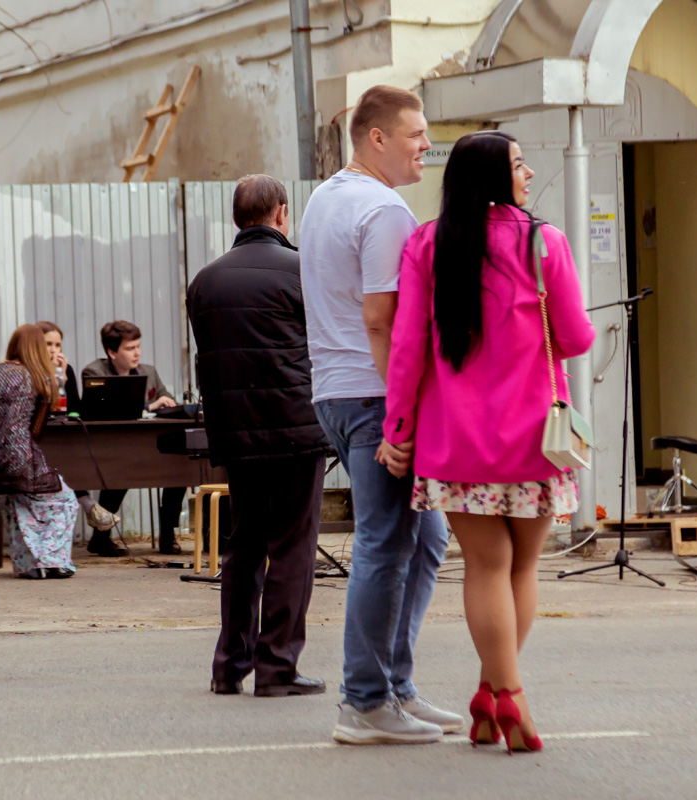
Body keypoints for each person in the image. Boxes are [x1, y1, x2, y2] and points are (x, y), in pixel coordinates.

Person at [382, 131, 594, 753]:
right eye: (519, 164)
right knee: (522, 566)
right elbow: (578, 338)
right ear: (495, 178)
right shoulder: (541, 241)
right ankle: (510, 696)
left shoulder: (427, 242)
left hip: (455, 443)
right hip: (537, 438)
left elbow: (406, 347)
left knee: (485, 566)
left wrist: (398, 429)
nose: (528, 173)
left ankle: (493, 694)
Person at [299, 85, 462, 743]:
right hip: (373, 396)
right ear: (377, 138)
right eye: (417, 133)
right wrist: (402, 416)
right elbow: (381, 318)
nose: (427, 145)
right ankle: (364, 701)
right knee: (386, 542)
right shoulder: (386, 209)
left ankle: (394, 687)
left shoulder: (325, 197)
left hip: (336, 393)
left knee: (422, 538)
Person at [187, 174, 332, 697]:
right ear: (281, 214)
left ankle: (229, 665)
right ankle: (278, 668)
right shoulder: (301, 271)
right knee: (293, 546)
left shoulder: (205, 280)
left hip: (236, 432)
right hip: (296, 428)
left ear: (236, 219)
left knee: (243, 544)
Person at [0, 324, 80, 579]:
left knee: (18, 498)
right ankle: (48, 561)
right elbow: (35, 432)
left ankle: (31, 565)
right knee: (66, 499)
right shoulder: (40, 378)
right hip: (19, 461)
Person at [81, 320, 184, 556]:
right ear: (111, 352)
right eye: (129, 348)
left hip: (147, 445)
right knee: (123, 468)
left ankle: (168, 535)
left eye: (138, 346)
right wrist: (149, 405)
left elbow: (166, 399)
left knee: (179, 466)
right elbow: (97, 411)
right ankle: (100, 537)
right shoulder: (94, 372)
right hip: (108, 447)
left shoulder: (149, 372)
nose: (137, 353)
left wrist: (164, 404)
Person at [37, 320, 120, 533]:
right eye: (49, 344)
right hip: (37, 438)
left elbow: (74, 408)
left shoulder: (67, 370)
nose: (54, 350)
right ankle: (88, 504)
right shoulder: (30, 370)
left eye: (58, 346)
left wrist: (62, 379)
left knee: (73, 454)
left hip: (61, 435)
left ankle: (88, 505)